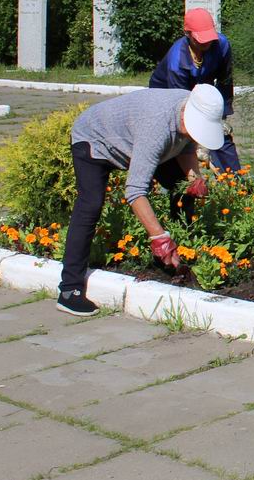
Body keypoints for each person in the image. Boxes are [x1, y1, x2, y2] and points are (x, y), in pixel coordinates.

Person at [57, 84, 227, 316]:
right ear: (187, 115)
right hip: (94, 140)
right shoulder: (156, 127)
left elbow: (187, 145)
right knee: (90, 205)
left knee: (182, 187)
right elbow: (135, 191)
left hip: (135, 140)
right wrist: (159, 237)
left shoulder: (192, 107)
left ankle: (181, 251)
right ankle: (70, 290)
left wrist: (194, 178)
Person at [148, 8, 239, 172]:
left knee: (220, 134)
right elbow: (181, 104)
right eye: (200, 40)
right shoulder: (177, 61)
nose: (206, 43)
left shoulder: (222, 45)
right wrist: (198, 141)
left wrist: (221, 115)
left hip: (203, 89)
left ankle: (235, 181)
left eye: (209, 38)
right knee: (178, 140)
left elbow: (225, 81)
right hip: (168, 94)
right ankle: (174, 181)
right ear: (187, 34)